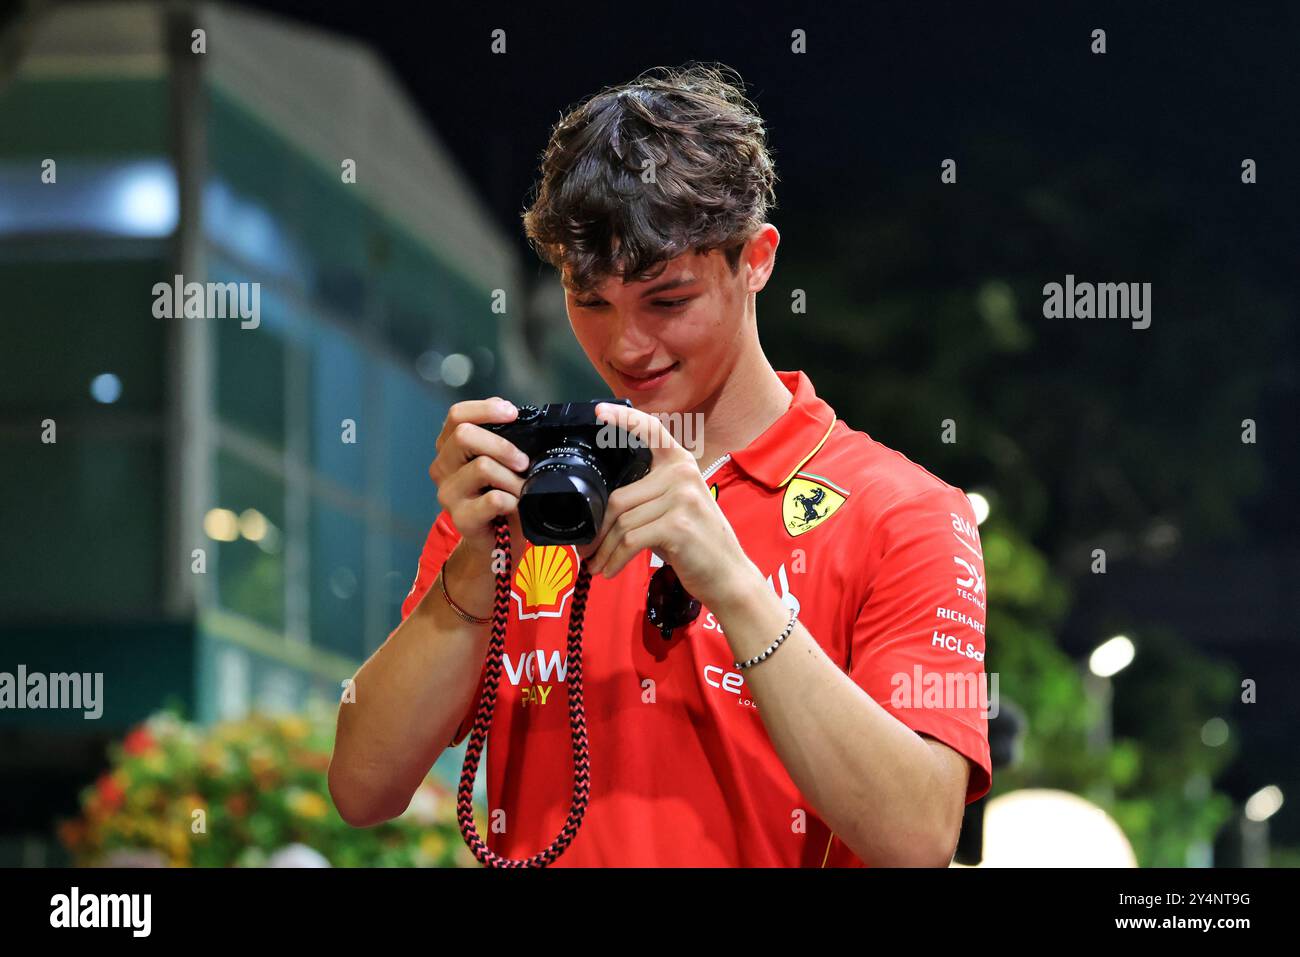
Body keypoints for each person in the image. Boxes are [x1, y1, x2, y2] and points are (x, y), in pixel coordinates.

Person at [329, 63, 991, 867]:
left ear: (756, 259)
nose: (626, 345)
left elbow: (920, 836)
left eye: (666, 299)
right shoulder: (536, 492)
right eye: (590, 299)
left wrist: (735, 585)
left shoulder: (906, 511)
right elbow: (361, 788)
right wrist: (474, 566)